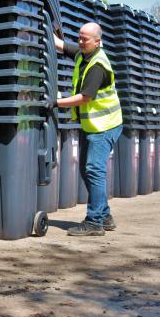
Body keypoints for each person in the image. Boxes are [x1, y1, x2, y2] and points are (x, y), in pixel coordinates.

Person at [48, 22, 123, 236]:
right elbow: (62, 45)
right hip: (92, 125)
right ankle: (105, 215)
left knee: (94, 170)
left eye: (85, 39)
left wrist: (55, 102)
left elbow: (85, 97)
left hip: (105, 125)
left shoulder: (98, 65)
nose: (80, 42)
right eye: (79, 37)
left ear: (98, 42)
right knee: (87, 170)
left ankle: (95, 222)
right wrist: (47, 29)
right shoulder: (84, 53)